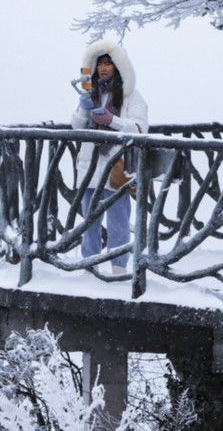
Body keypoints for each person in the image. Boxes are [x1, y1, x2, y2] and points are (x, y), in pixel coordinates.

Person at [70, 41, 148, 276]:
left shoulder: (131, 96)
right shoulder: (90, 92)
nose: (104, 69)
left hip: (116, 168)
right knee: (89, 222)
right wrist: (83, 109)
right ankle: (89, 266)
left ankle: (119, 269)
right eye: (100, 64)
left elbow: (140, 128)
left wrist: (111, 120)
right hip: (89, 167)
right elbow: (76, 127)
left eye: (108, 64)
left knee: (118, 222)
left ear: (118, 67)